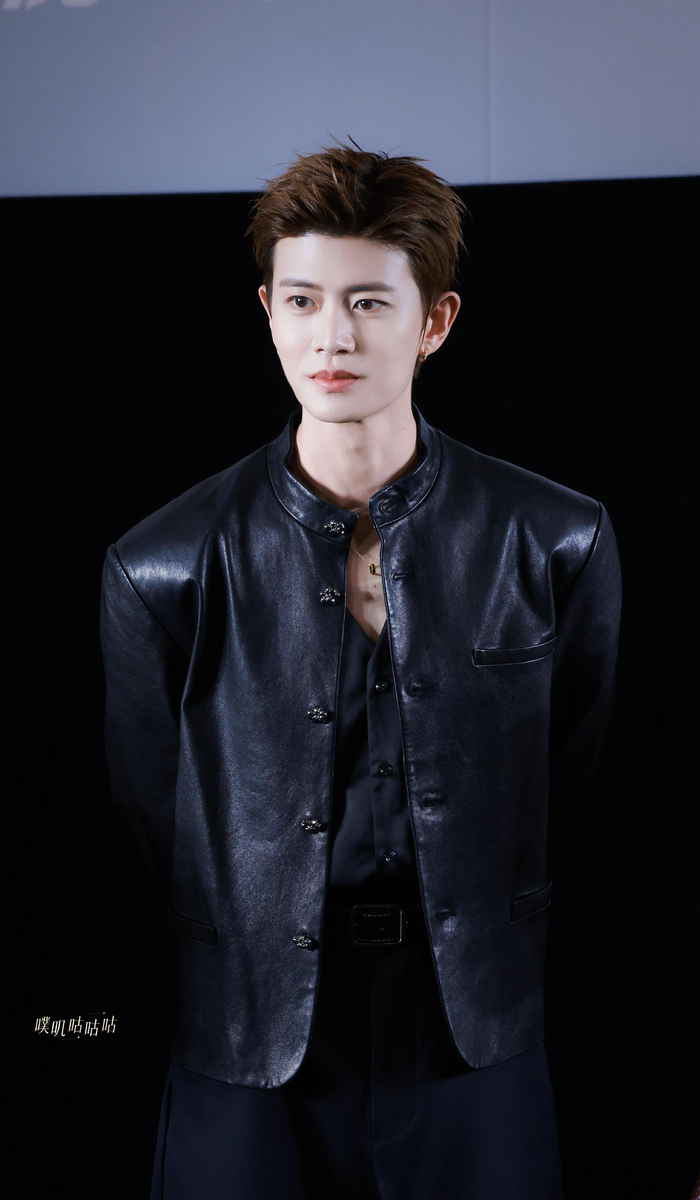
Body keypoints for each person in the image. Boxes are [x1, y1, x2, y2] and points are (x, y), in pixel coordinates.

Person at [99, 136, 622, 1199]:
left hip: (473, 1030)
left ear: (435, 322)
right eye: (302, 301)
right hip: (250, 1041)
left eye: (369, 303)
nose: (330, 335)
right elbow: (156, 823)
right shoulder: (163, 564)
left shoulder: (555, 540)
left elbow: (573, 798)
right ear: (268, 312)